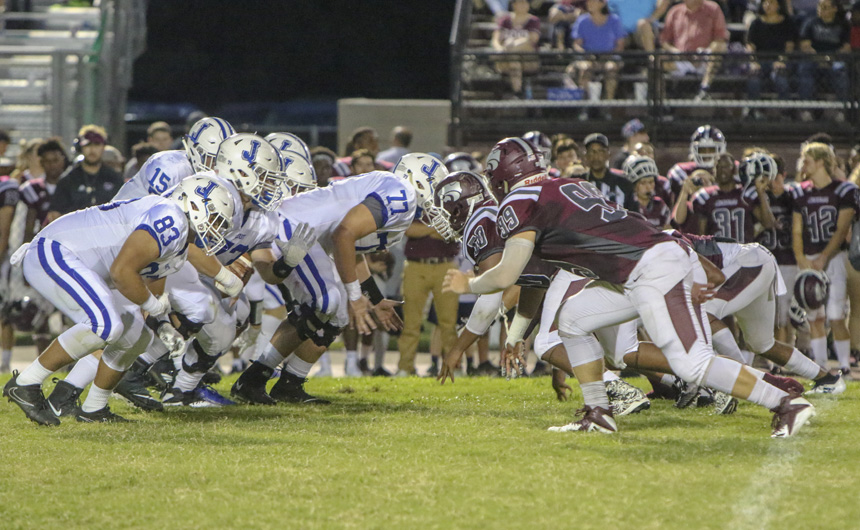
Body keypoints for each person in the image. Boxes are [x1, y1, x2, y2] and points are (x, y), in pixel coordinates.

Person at [443, 137, 815, 438]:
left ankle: (784, 401)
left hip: (649, 269)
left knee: (691, 363)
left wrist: (467, 283)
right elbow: (628, 225)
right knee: (572, 320)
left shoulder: (521, 199)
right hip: (638, 268)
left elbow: (506, 274)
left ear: (503, 174)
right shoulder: (567, 184)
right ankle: (598, 412)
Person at [3, 175, 235, 424]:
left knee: (137, 335)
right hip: (56, 249)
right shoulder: (171, 218)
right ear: (195, 206)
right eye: (215, 218)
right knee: (105, 325)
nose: (216, 228)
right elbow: (122, 272)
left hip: (84, 265)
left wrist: (159, 319)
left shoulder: (179, 243)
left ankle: (94, 408)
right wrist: (153, 305)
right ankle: (26, 383)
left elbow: (146, 282)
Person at [231, 153, 448, 404]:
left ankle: (290, 384)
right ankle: (252, 380)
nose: (438, 199)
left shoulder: (395, 195)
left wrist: (374, 298)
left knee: (337, 315)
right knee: (327, 301)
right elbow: (343, 235)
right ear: (419, 182)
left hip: (304, 231)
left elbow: (351, 248)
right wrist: (355, 297)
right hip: (295, 226)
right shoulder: (402, 193)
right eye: (436, 188)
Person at [791, 142, 858, 375]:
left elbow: (841, 230)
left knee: (836, 314)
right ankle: (820, 366)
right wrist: (801, 258)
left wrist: (824, 256)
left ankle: (844, 366)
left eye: (807, 160)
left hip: (835, 257)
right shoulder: (800, 192)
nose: (803, 165)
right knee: (814, 316)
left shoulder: (843, 190)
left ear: (820, 162)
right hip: (809, 257)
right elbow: (797, 230)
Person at [688, 152, 775, 242]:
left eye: (726, 166)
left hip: (743, 249)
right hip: (718, 249)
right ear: (714, 171)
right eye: (718, 167)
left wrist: (761, 192)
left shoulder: (746, 194)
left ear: (734, 169)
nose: (722, 170)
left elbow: (769, 224)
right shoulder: (705, 197)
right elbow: (701, 234)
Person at [47, 125, 124, 222]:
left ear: (103, 147)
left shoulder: (114, 178)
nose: (92, 150)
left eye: (97, 144)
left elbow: (124, 212)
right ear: (80, 147)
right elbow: (55, 215)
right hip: (75, 229)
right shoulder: (68, 180)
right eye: (88, 145)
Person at [660, 0, 730, 101]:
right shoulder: (674, 11)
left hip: (705, 59)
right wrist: (674, 51)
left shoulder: (713, 9)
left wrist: (706, 50)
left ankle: (704, 89)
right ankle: (660, 102)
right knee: (655, 60)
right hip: (680, 59)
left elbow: (720, 38)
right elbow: (664, 41)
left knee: (719, 47)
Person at [569, 0, 627, 117]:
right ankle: (586, 106)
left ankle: (607, 107)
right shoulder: (582, 21)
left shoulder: (614, 20)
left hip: (609, 57)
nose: (589, 4)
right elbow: (577, 44)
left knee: (611, 68)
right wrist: (586, 55)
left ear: (602, 3)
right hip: (588, 58)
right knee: (585, 68)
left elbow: (620, 44)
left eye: (593, 1)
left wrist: (608, 56)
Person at [797, 0, 850, 122]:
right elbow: (805, 46)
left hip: (834, 59)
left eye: (825, 7)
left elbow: (846, 48)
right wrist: (820, 59)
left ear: (834, 9)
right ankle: (806, 109)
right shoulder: (810, 23)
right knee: (804, 69)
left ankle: (841, 110)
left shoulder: (843, 25)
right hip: (813, 59)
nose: (821, 9)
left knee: (841, 71)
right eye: (819, 6)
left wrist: (830, 59)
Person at [744, 0, 796, 120]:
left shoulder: (787, 23)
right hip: (760, 61)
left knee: (780, 78)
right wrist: (753, 62)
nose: (767, 5)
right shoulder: (756, 23)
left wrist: (782, 60)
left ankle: (785, 112)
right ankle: (753, 110)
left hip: (780, 61)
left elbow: (789, 46)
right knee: (754, 78)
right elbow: (750, 46)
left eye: (771, 2)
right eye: (765, 3)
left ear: (778, 5)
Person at [492, 0, 541, 96]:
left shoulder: (533, 20)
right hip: (506, 59)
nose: (523, 5)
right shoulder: (505, 20)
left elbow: (533, 39)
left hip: (528, 60)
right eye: (520, 2)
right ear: (513, 5)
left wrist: (512, 45)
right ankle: (517, 92)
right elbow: (495, 40)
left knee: (515, 50)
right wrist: (499, 48)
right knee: (514, 59)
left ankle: (516, 92)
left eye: (525, 3)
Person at [623, 155, 670, 228]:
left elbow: (667, 228)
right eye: (643, 183)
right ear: (634, 186)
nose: (648, 187)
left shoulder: (659, 205)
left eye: (651, 182)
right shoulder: (627, 206)